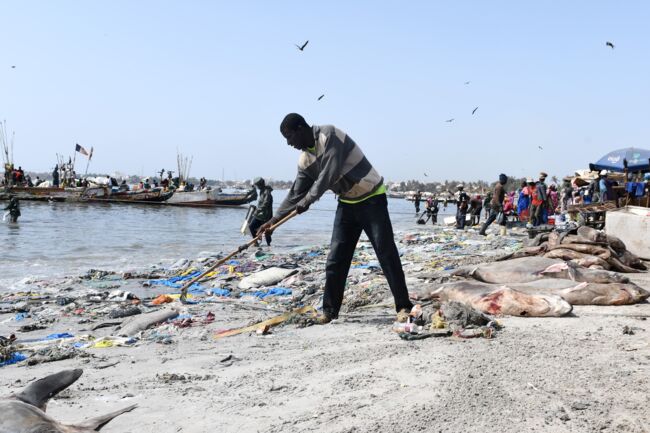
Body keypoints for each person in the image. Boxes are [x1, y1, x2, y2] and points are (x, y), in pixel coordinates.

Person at [257, 113, 413, 324]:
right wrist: (273, 222)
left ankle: (403, 306)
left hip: (372, 199)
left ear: (301, 128)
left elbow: (329, 173)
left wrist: (309, 200)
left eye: (289, 136)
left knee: (386, 252)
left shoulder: (329, 135)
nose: (289, 143)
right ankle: (329, 311)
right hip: (347, 204)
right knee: (335, 260)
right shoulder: (305, 161)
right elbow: (295, 195)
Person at [248, 177, 273, 246]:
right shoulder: (262, 191)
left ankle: (269, 245)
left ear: (260, 184)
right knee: (251, 227)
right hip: (260, 215)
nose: (257, 187)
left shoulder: (267, 192)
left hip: (265, 216)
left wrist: (257, 210)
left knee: (267, 231)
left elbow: (265, 204)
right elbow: (261, 204)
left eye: (257, 185)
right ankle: (256, 242)